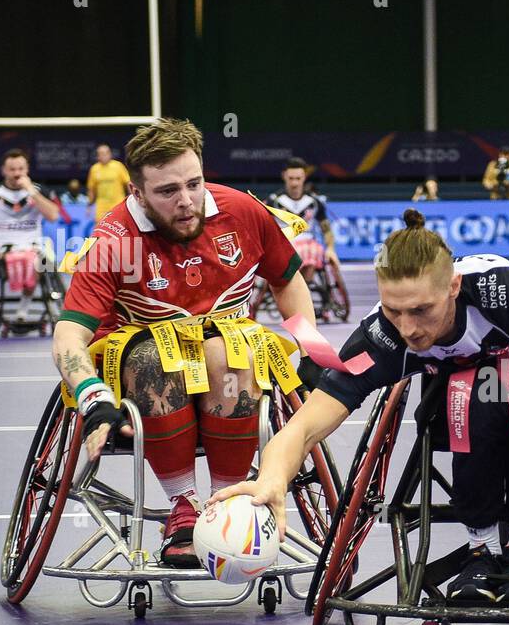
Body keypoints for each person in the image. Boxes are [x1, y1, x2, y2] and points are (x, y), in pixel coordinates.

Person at [214, 209, 509, 605]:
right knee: (471, 389)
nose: (409, 329)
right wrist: (272, 476)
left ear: (453, 286)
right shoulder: (384, 335)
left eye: (421, 310)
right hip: (457, 405)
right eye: (395, 311)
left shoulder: (505, 294)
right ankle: (482, 547)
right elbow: (303, 427)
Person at [53, 118, 319, 568]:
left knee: (229, 353)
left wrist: (312, 352)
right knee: (157, 356)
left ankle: (225, 502)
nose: (186, 201)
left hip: (229, 365)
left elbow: (287, 280)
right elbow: (68, 335)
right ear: (136, 192)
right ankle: (183, 504)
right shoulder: (113, 240)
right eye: (167, 191)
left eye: (193, 183)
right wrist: (92, 396)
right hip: (145, 369)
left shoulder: (243, 212)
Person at [0, 149, 61, 319]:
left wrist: (31, 191)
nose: (16, 173)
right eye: (12, 169)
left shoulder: (38, 190)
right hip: (3, 250)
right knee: (19, 259)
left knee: (37, 261)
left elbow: (53, 215)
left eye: (20, 169)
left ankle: (23, 307)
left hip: (33, 247)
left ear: (27, 169)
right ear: (4, 171)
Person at [266, 157, 341, 282]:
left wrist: (331, 249)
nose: (294, 183)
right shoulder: (273, 201)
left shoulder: (315, 202)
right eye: (291, 178)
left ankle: (302, 286)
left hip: (308, 243)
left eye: (298, 178)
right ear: (284, 176)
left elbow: (326, 229)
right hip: (284, 242)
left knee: (313, 251)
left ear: (304, 177)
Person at [86, 143, 131, 228]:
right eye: (101, 154)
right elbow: (91, 189)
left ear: (110, 154)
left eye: (106, 153)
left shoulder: (118, 166)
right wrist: (89, 205)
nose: (104, 156)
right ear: (98, 156)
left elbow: (128, 183)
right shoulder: (94, 169)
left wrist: (132, 198)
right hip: (101, 206)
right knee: (100, 230)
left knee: (120, 228)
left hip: (117, 204)